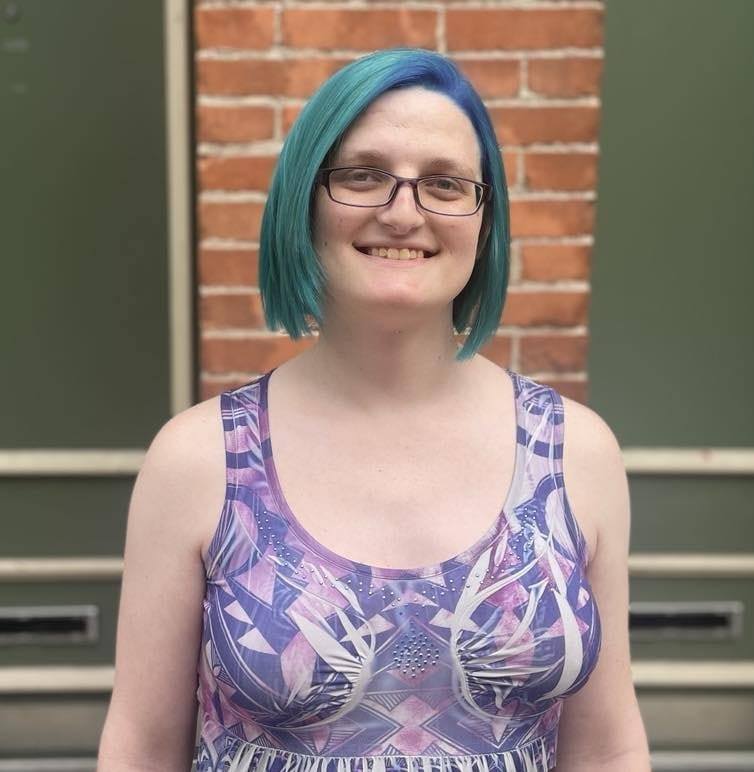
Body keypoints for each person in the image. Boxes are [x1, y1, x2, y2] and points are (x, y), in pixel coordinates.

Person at [97, 48, 650, 771]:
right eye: (363, 175)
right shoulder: (199, 461)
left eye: (445, 185)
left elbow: (606, 742)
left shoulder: (578, 452)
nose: (402, 213)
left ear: (486, 221)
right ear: (305, 200)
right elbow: (141, 743)